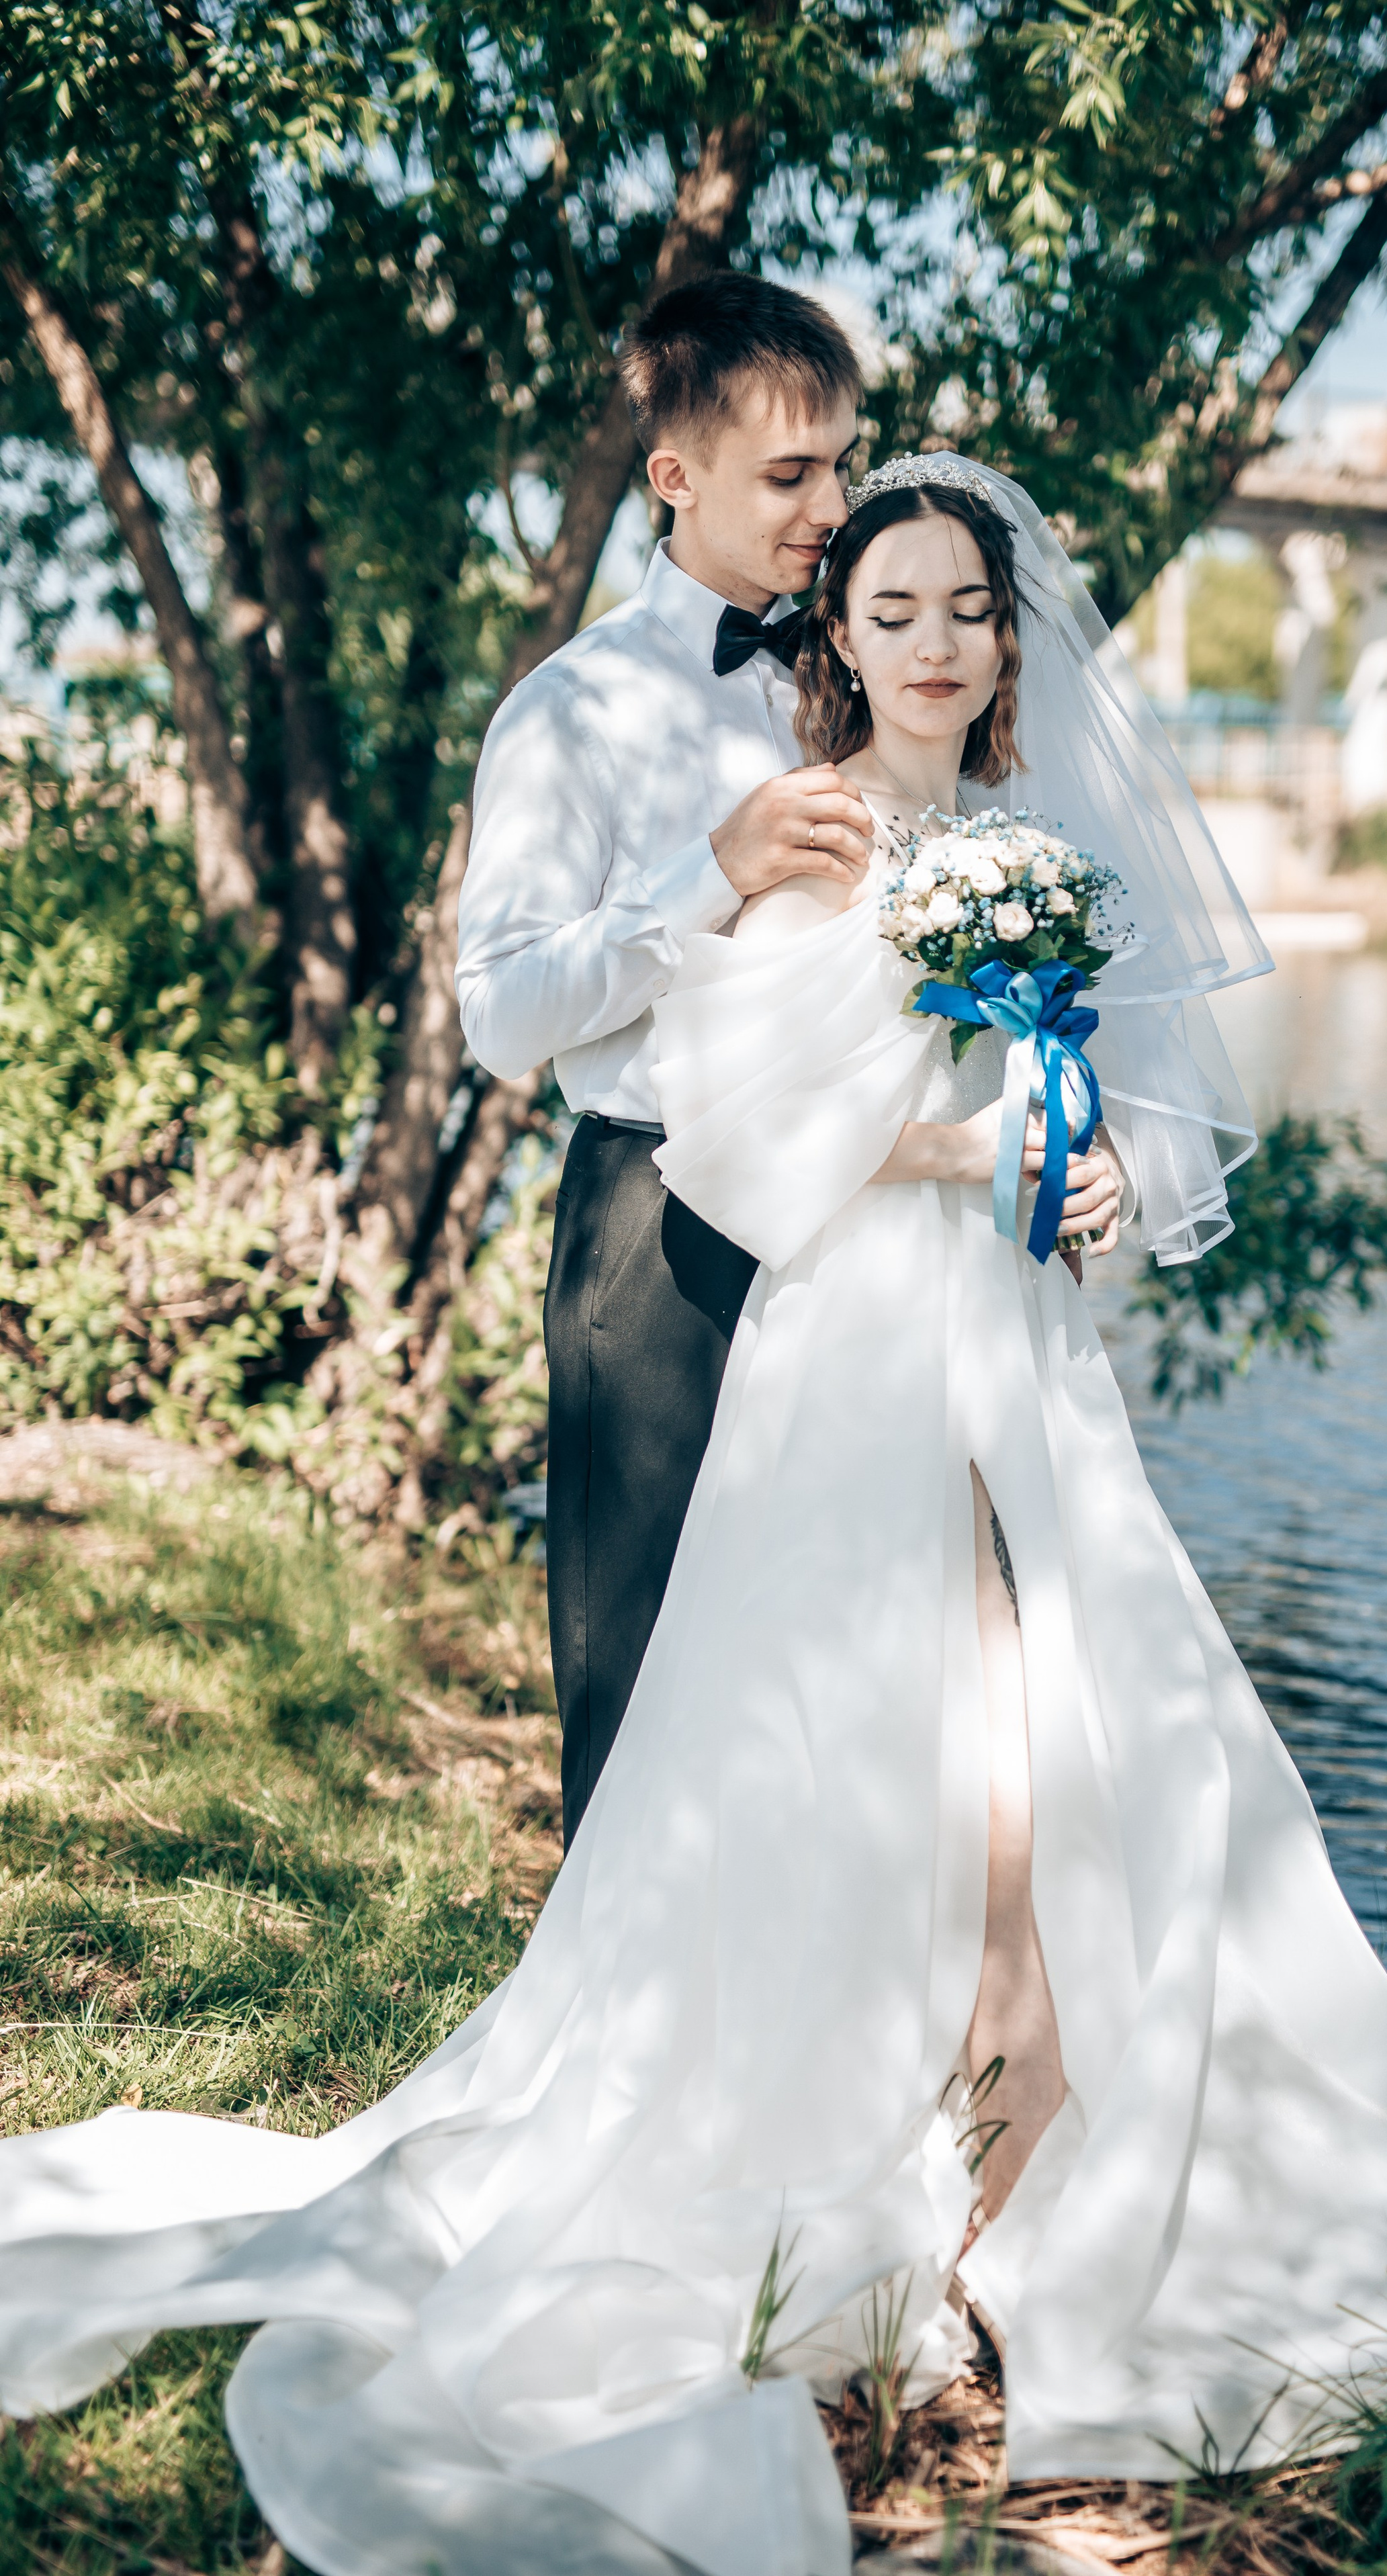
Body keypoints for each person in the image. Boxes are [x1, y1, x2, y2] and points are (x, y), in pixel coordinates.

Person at [0, 456, 1387, 2576]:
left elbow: (1140, 1135)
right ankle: (973, 2171)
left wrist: (1092, 1185)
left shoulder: (1046, 853)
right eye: (895, 607)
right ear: (844, 639)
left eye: (969, 604)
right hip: (856, 1366)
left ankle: (1035, 2174)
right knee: (936, 1767)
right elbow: (736, 1145)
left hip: (1027, 1372)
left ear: (1004, 635)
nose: (940, 640)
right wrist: (953, 1143)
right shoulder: (810, 859)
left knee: (1082, 1735)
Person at [456, 272, 881, 1842]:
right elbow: (499, 1021)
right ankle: (617, 2058)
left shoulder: (870, 668)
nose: (830, 505)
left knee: (850, 1659)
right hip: (658, 1222)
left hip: (868, 1216)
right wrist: (715, 868)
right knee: (636, 1659)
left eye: (841, 462)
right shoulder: (567, 715)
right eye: (790, 474)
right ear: (674, 479)